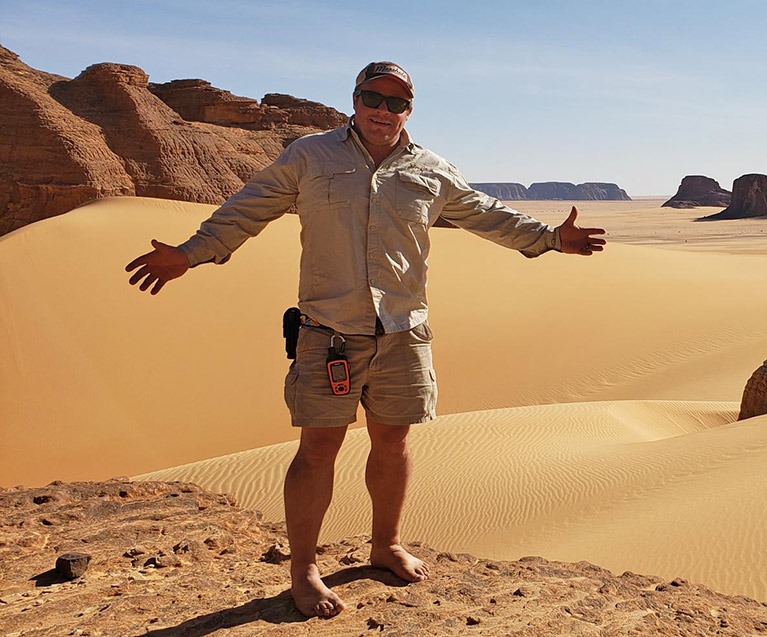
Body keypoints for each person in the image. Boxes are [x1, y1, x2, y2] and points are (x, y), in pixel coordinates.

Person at [125, 61, 606, 618]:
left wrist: (550, 239)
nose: (383, 110)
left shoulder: (431, 169)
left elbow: (485, 214)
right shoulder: (310, 155)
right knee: (317, 451)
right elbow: (248, 208)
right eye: (372, 98)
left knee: (393, 442)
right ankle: (304, 569)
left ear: (410, 110)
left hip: (403, 330)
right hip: (328, 332)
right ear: (354, 100)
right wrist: (190, 253)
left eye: (396, 102)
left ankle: (385, 545)